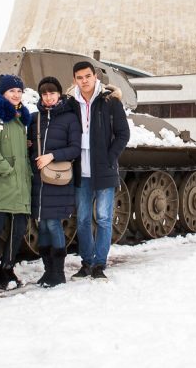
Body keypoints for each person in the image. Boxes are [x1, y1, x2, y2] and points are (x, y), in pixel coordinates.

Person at [68, 61, 130, 281]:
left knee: (103, 218)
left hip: (103, 169)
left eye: (87, 76)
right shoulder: (71, 103)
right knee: (83, 219)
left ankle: (99, 264)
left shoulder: (110, 102)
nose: (84, 81)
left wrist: (109, 157)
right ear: (74, 79)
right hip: (80, 170)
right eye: (79, 77)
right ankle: (86, 262)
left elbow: (123, 134)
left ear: (95, 76)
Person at [0, 74, 32, 289]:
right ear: (3, 93)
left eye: (19, 91)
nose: (16, 94)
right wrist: (7, 170)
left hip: (20, 182)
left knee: (19, 228)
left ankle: (8, 267)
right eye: (12, 91)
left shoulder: (20, 118)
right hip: (2, 181)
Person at [29, 76, 81, 288]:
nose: (48, 97)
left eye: (52, 93)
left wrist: (52, 155)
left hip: (57, 179)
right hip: (39, 179)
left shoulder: (69, 119)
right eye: (44, 94)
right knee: (41, 225)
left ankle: (58, 272)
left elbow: (76, 148)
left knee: (53, 223)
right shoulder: (35, 118)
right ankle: (47, 271)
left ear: (59, 94)